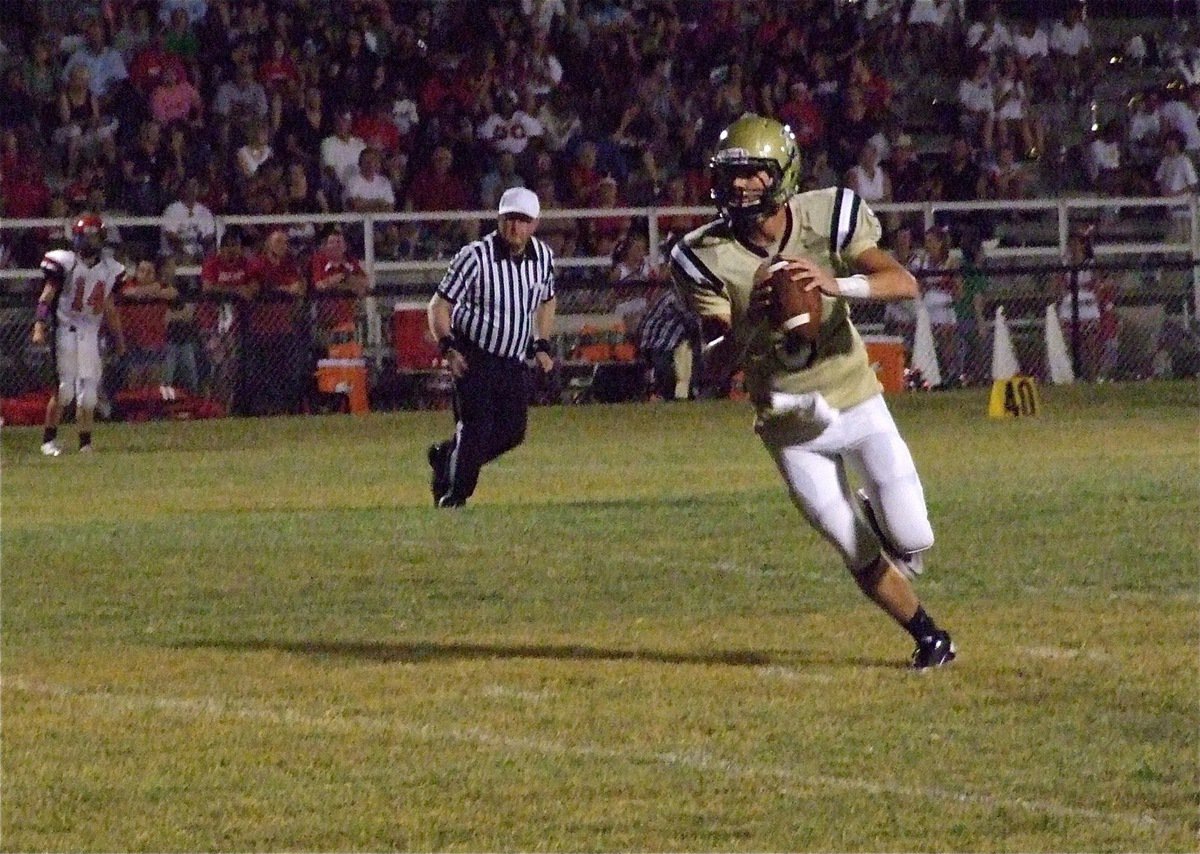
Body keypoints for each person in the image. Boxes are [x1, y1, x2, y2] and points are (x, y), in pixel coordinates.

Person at [670, 115, 956, 669]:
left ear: (781, 175)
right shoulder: (701, 254)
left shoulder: (829, 215)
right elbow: (712, 365)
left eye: (753, 174)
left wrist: (835, 284)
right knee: (851, 544)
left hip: (856, 395)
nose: (740, 186)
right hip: (788, 421)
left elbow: (904, 282)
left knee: (914, 536)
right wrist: (751, 317)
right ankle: (929, 636)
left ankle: (886, 521)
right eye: (732, 175)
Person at [426, 187, 557, 508]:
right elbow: (438, 306)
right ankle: (455, 496)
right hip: (475, 355)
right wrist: (448, 347)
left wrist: (542, 344)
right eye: (510, 218)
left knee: (512, 432)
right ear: (499, 219)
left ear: (535, 223)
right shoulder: (475, 257)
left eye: (523, 220)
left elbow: (548, 299)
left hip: (512, 358)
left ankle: (449, 457)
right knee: (476, 427)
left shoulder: (543, 257)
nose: (515, 227)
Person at [31, 213, 127, 455]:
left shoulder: (109, 269)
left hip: (91, 333)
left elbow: (110, 308)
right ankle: (48, 440)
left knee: (90, 397)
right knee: (64, 391)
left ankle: (85, 443)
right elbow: (46, 297)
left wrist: (119, 339)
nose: (92, 243)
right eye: (88, 237)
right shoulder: (67, 262)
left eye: (95, 238)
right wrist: (39, 325)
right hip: (66, 330)